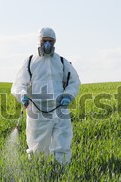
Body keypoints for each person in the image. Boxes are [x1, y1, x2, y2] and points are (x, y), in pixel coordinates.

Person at [11, 27, 81, 166]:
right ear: (39, 42)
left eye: (51, 41)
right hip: (37, 111)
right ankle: (38, 170)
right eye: (44, 41)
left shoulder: (61, 61)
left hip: (60, 108)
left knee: (63, 141)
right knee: (37, 144)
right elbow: (19, 83)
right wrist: (23, 95)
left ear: (54, 42)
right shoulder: (31, 61)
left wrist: (68, 95)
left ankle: (61, 170)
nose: (47, 44)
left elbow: (74, 81)